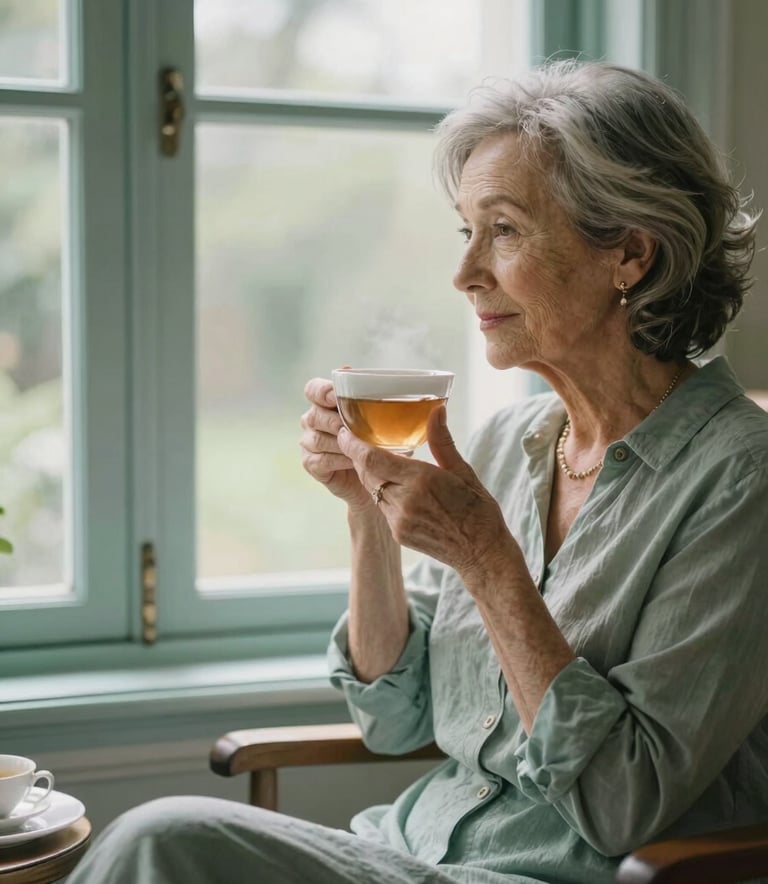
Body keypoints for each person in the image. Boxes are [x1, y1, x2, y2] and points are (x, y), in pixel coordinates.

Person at [68, 59, 768, 884]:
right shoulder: (515, 443)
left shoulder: (739, 481)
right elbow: (392, 716)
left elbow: (624, 801)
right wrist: (368, 513)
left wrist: (488, 560)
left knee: (163, 840)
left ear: (631, 255)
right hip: (406, 850)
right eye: (464, 232)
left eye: (503, 231)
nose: (464, 273)